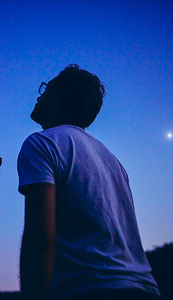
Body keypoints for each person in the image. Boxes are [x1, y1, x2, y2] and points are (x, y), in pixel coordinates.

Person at [17, 64, 162, 300]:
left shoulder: (42, 144)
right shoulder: (112, 160)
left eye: (46, 89)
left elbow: (40, 235)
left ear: (58, 98)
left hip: (91, 288)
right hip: (144, 288)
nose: (39, 94)